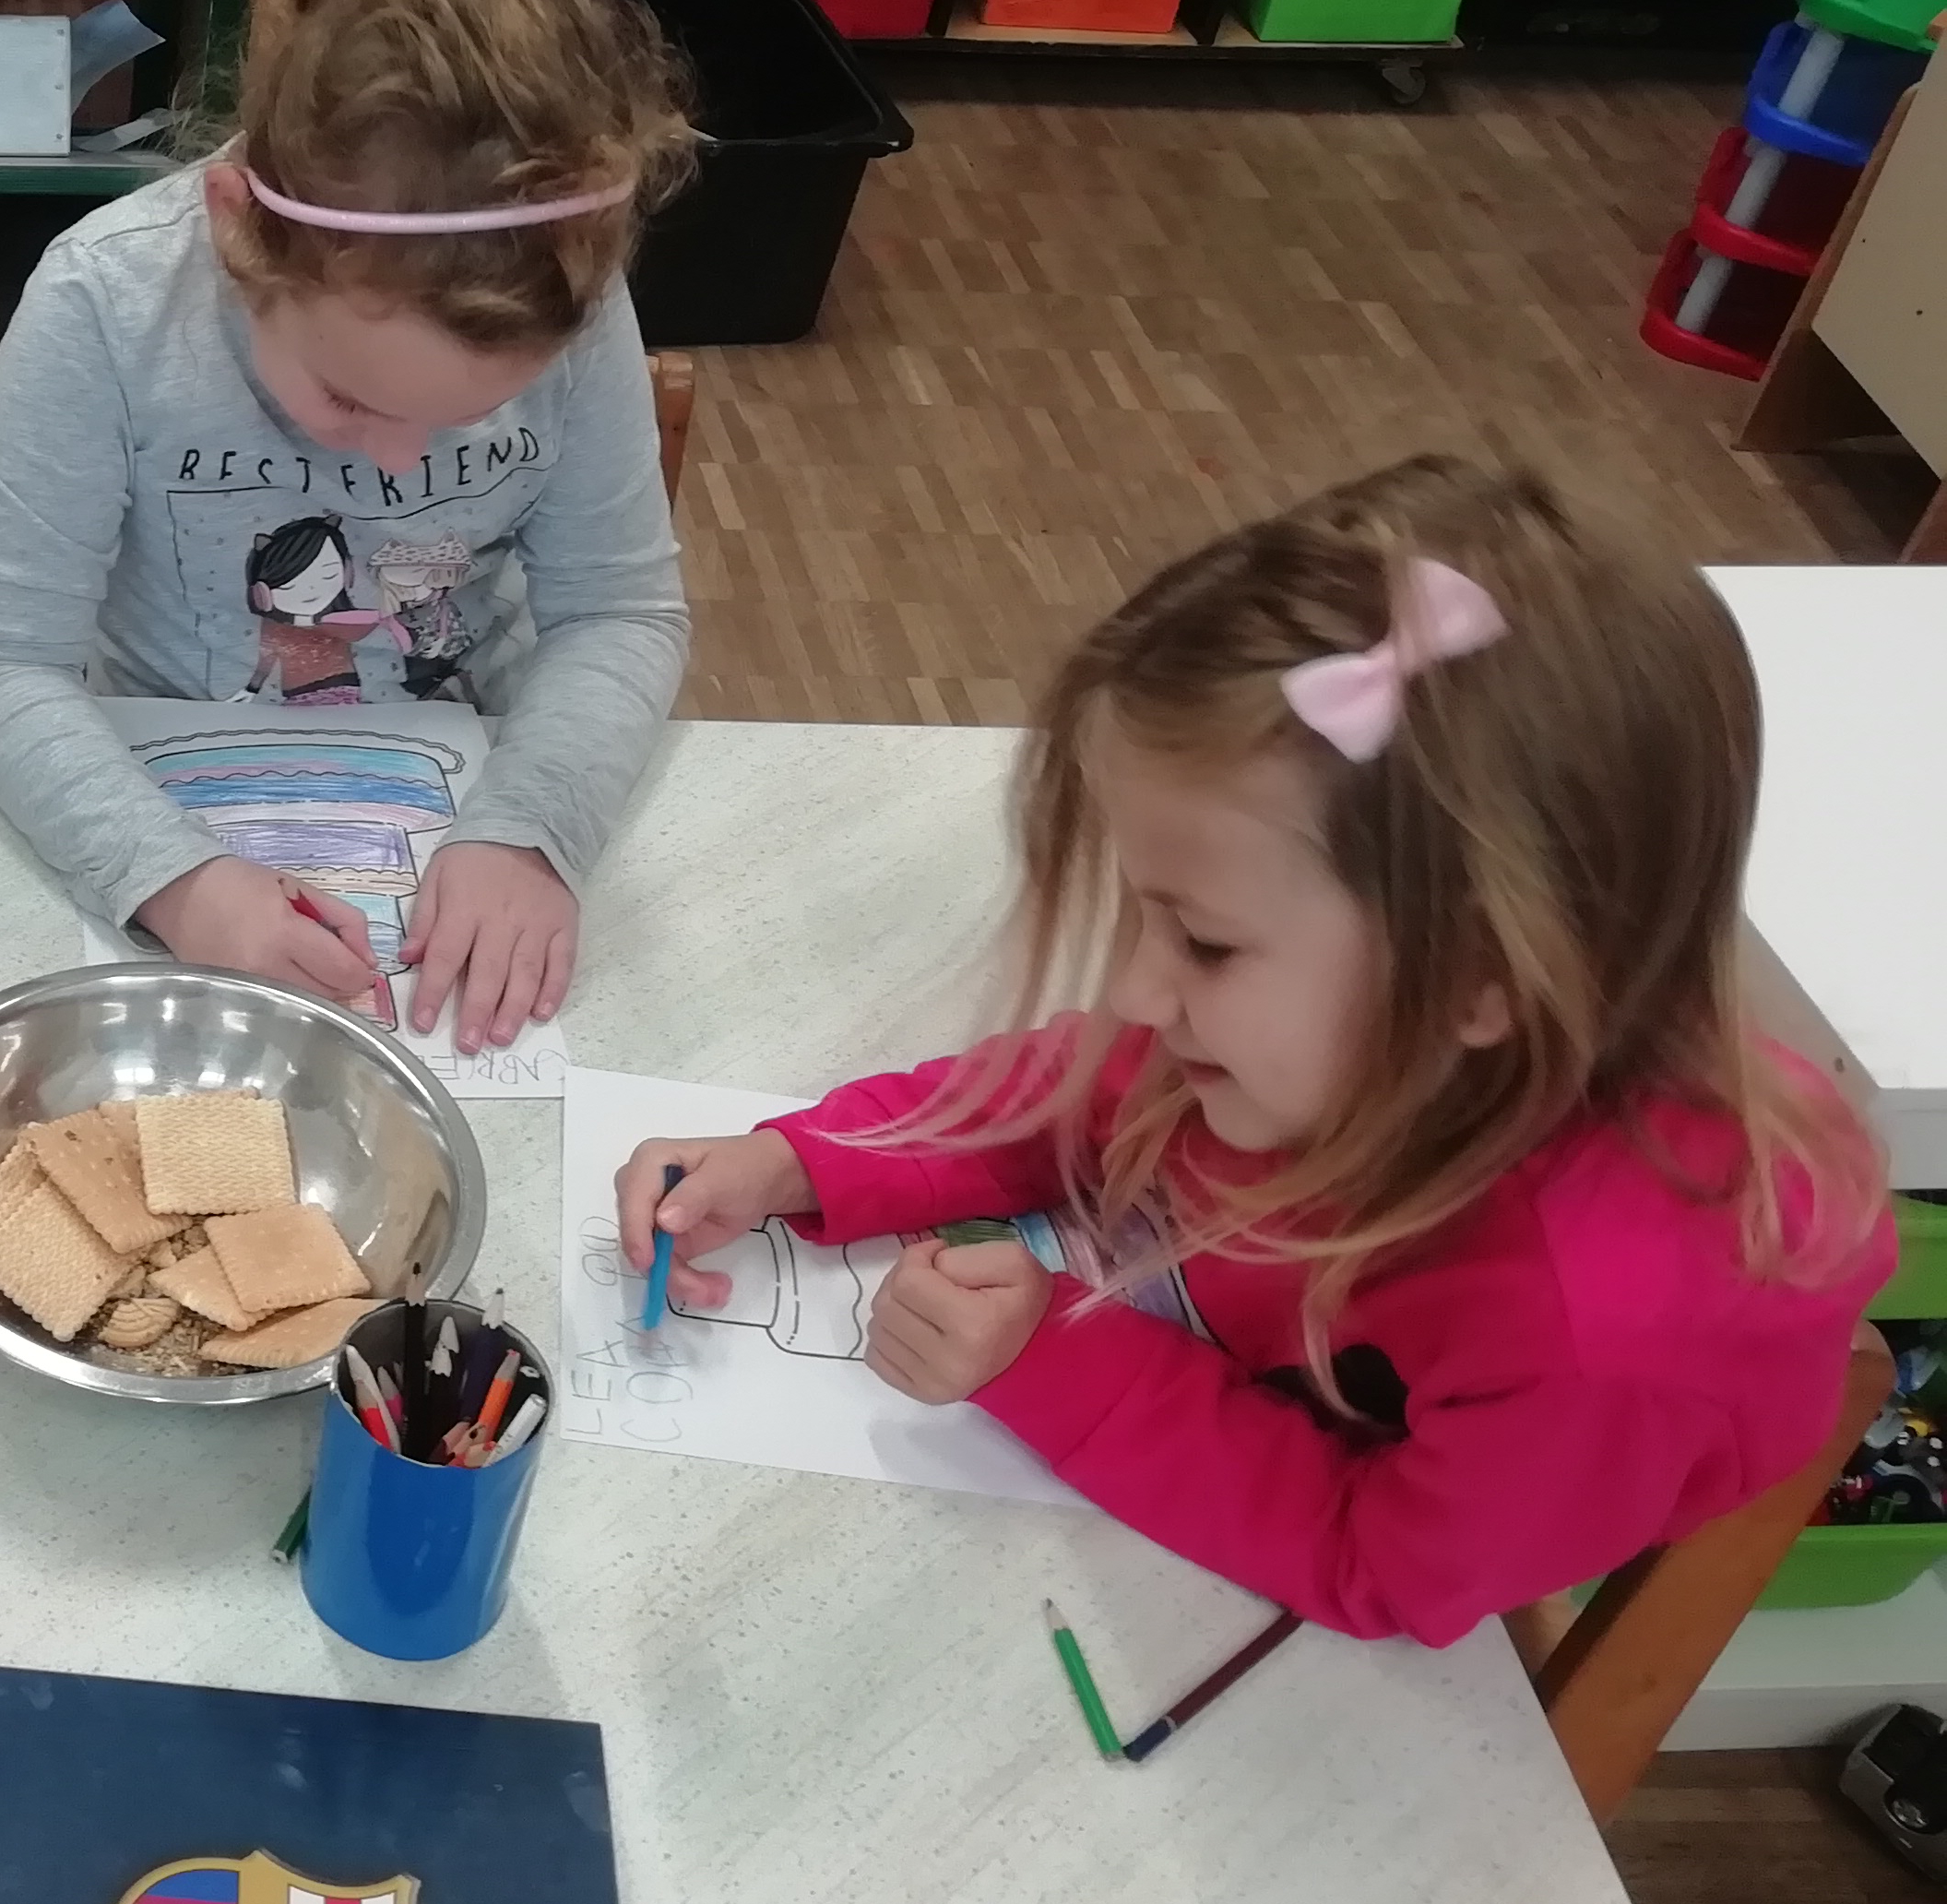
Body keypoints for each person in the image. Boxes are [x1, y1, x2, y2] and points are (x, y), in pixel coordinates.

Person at [616, 456, 1893, 1647]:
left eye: (1206, 944)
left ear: (1477, 982)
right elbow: (1092, 1093)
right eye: (1146, 916)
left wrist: (1047, 1358)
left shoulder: (1598, 1342)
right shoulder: (1323, 1032)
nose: (1134, 988)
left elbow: (1377, 1563)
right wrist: (810, 1159)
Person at [0, 0, 696, 1056]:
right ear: (241, 228)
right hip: (159, 765)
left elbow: (620, 612)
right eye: (350, 400)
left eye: (464, 419)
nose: (394, 466)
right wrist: (175, 881)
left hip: (464, 770)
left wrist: (530, 829)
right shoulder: (105, 303)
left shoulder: (573, 287)